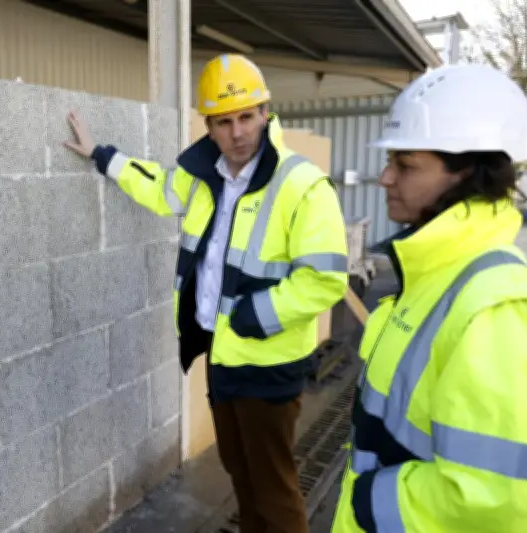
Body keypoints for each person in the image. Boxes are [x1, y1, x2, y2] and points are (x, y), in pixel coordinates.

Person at [63, 53, 349, 533]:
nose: (238, 133)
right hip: (223, 355)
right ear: (209, 125)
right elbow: (156, 187)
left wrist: (250, 316)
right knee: (241, 475)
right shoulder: (204, 178)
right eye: (223, 121)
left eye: (246, 117)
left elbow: (324, 279)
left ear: (265, 113)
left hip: (267, 362)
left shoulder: (301, 184)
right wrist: (102, 156)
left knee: (274, 489)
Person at [330, 63, 527, 533]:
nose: (385, 178)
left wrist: (367, 500)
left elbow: (493, 499)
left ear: (469, 173)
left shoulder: (497, 309)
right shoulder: (432, 274)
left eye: (406, 165)